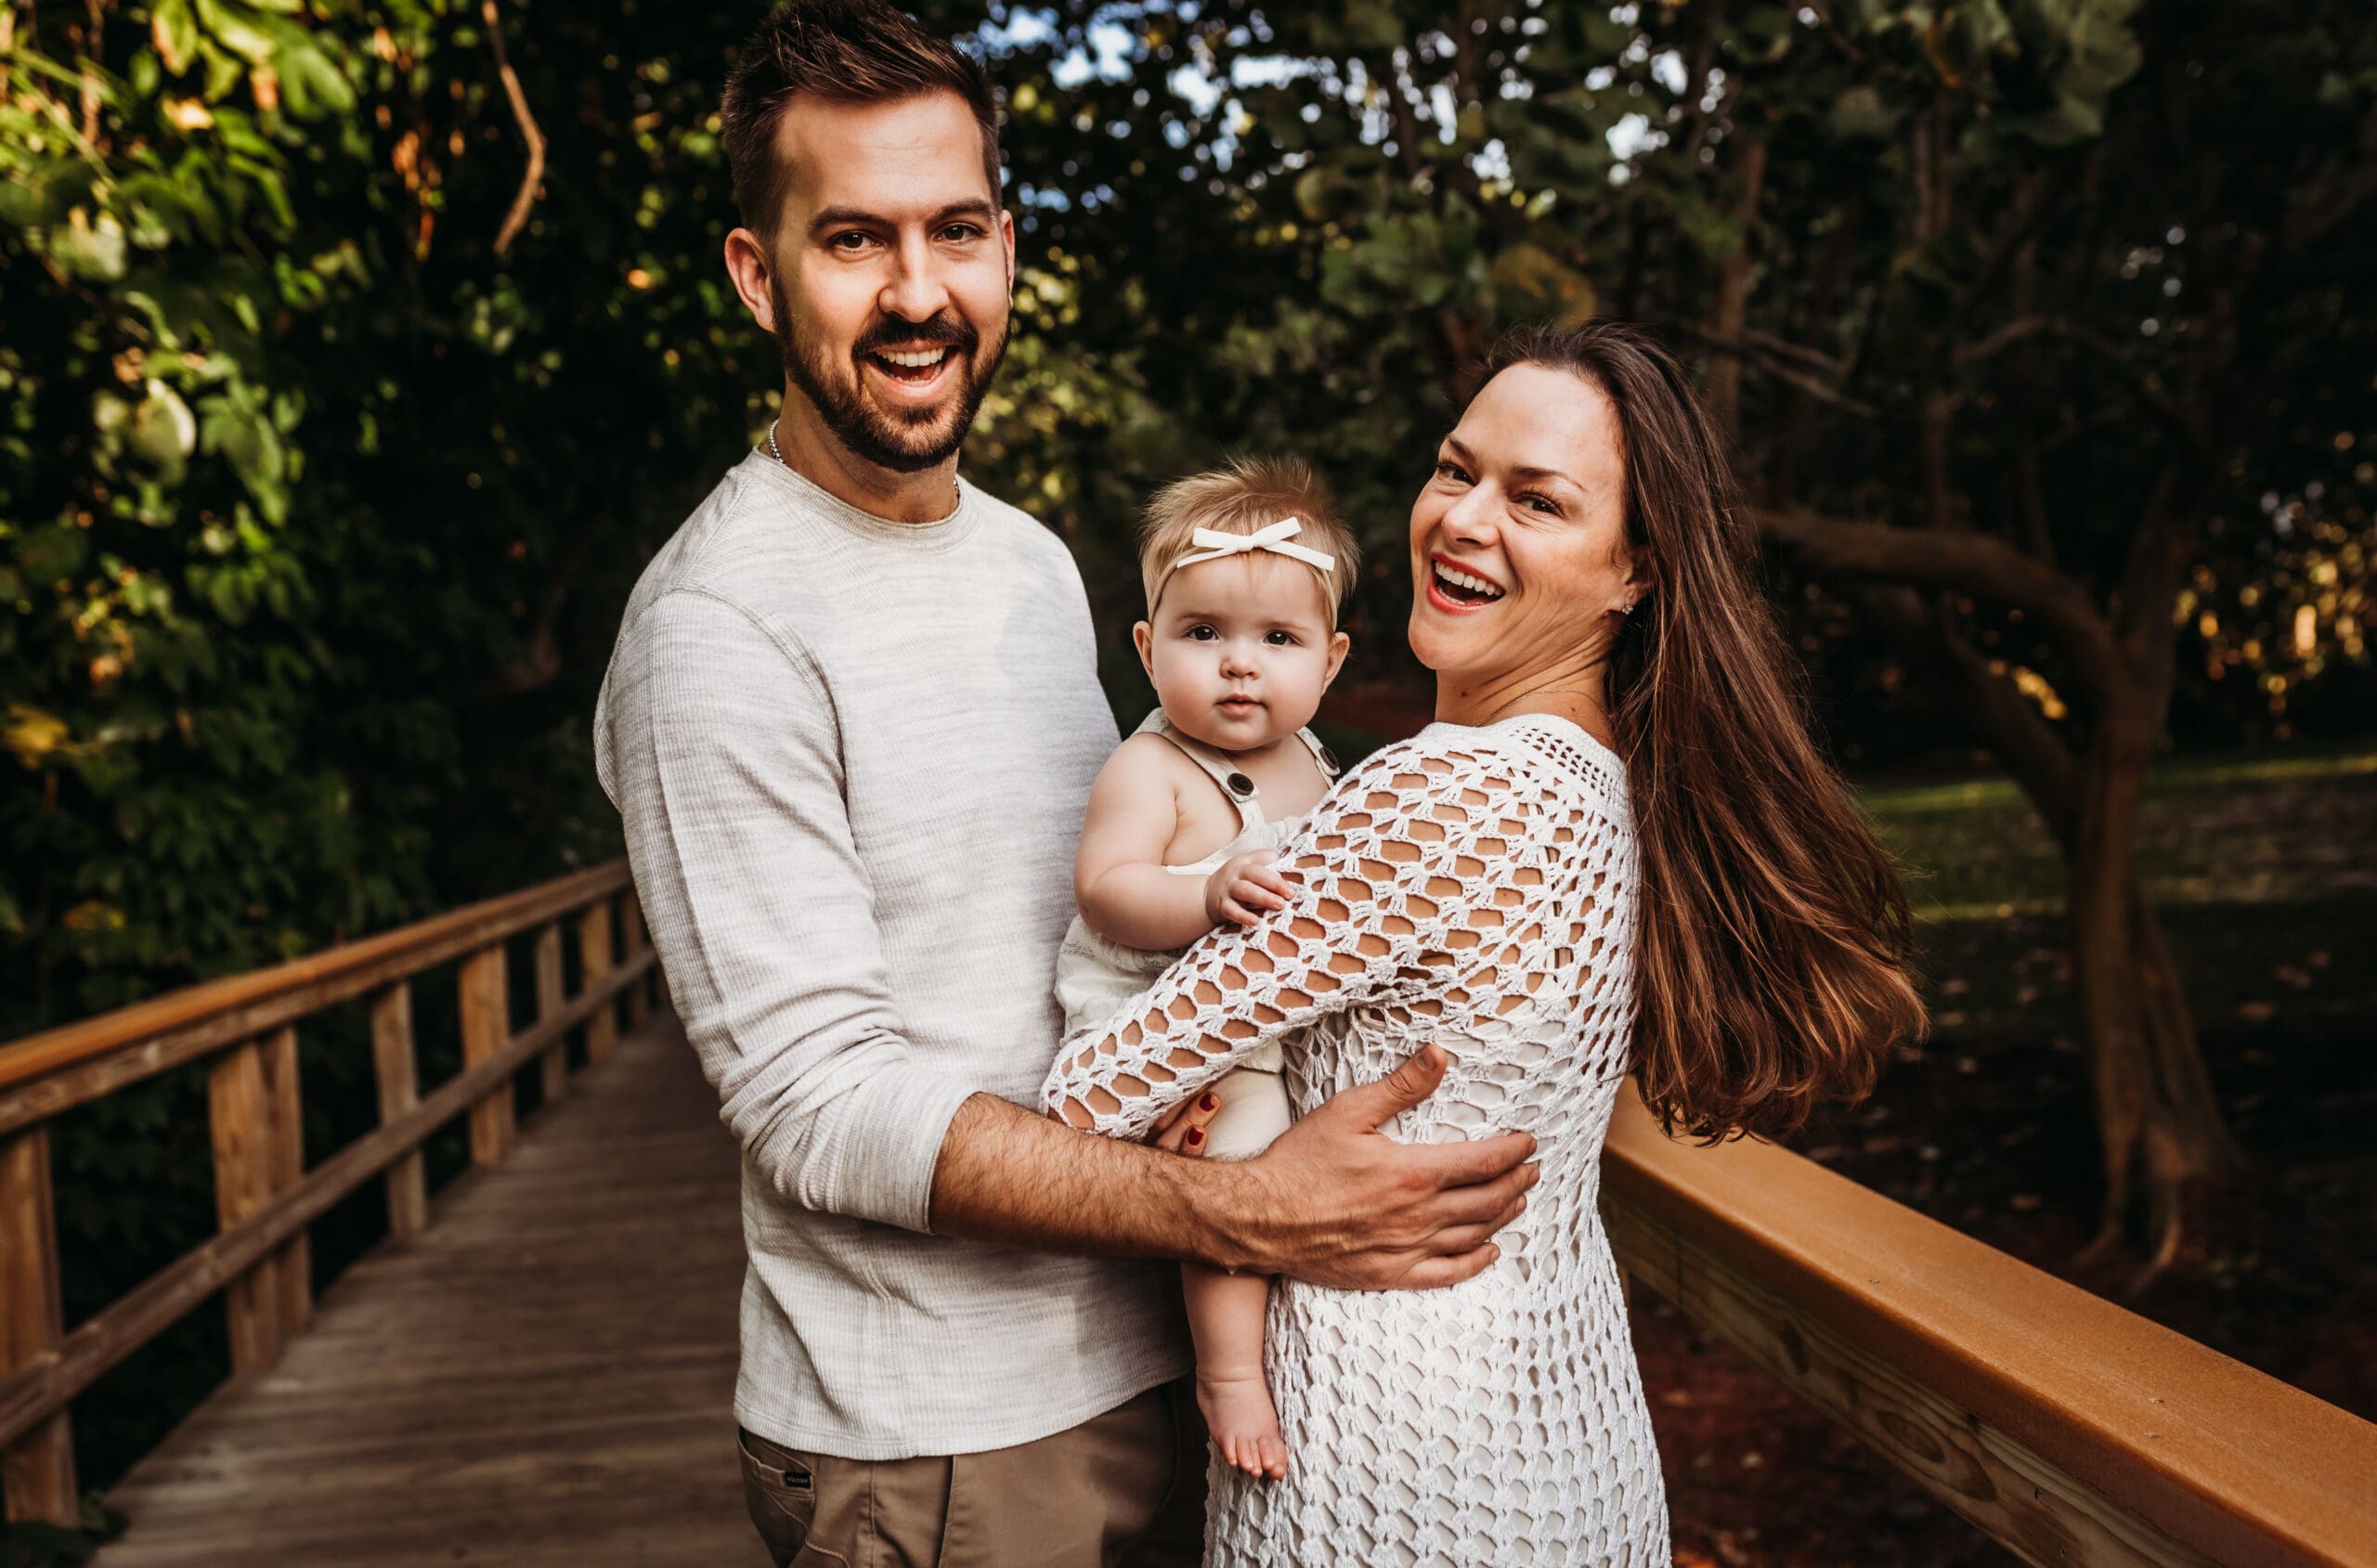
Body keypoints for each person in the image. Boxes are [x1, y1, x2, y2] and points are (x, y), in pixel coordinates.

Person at [591, 4, 1536, 1564]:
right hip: (941, 1439)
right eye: (853, 240)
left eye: (956, 229)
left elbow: (1116, 912)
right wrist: (1245, 1210)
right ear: (757, 274)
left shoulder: (1033, 562)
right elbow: (820, 1106)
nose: (919, 293)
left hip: (1162, 1351)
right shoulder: (716, 627)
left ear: (1008, 246)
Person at [1044, 319, 1927, 1564]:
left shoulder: (1443, 796)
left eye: (1537, 501)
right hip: (1567, 1446)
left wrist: (1252, 1195)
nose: (1463, 520)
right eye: (1456, 470)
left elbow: (1088, 1092)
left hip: (1382, 1470)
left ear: (1636, 572)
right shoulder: (1610, 790)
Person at [1055, 458, 1359, 1482]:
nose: (1239, 665)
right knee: (1240, 1164)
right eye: (1203, 634)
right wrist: (1204, 892)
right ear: (1146, 650)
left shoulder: (1315, 759)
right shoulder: (1151, 769)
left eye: (1277, 640)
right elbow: (1106, 888)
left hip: (1266, 1020)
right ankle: (1228, 1374)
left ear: (1329, 662)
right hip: (1160, 1031)